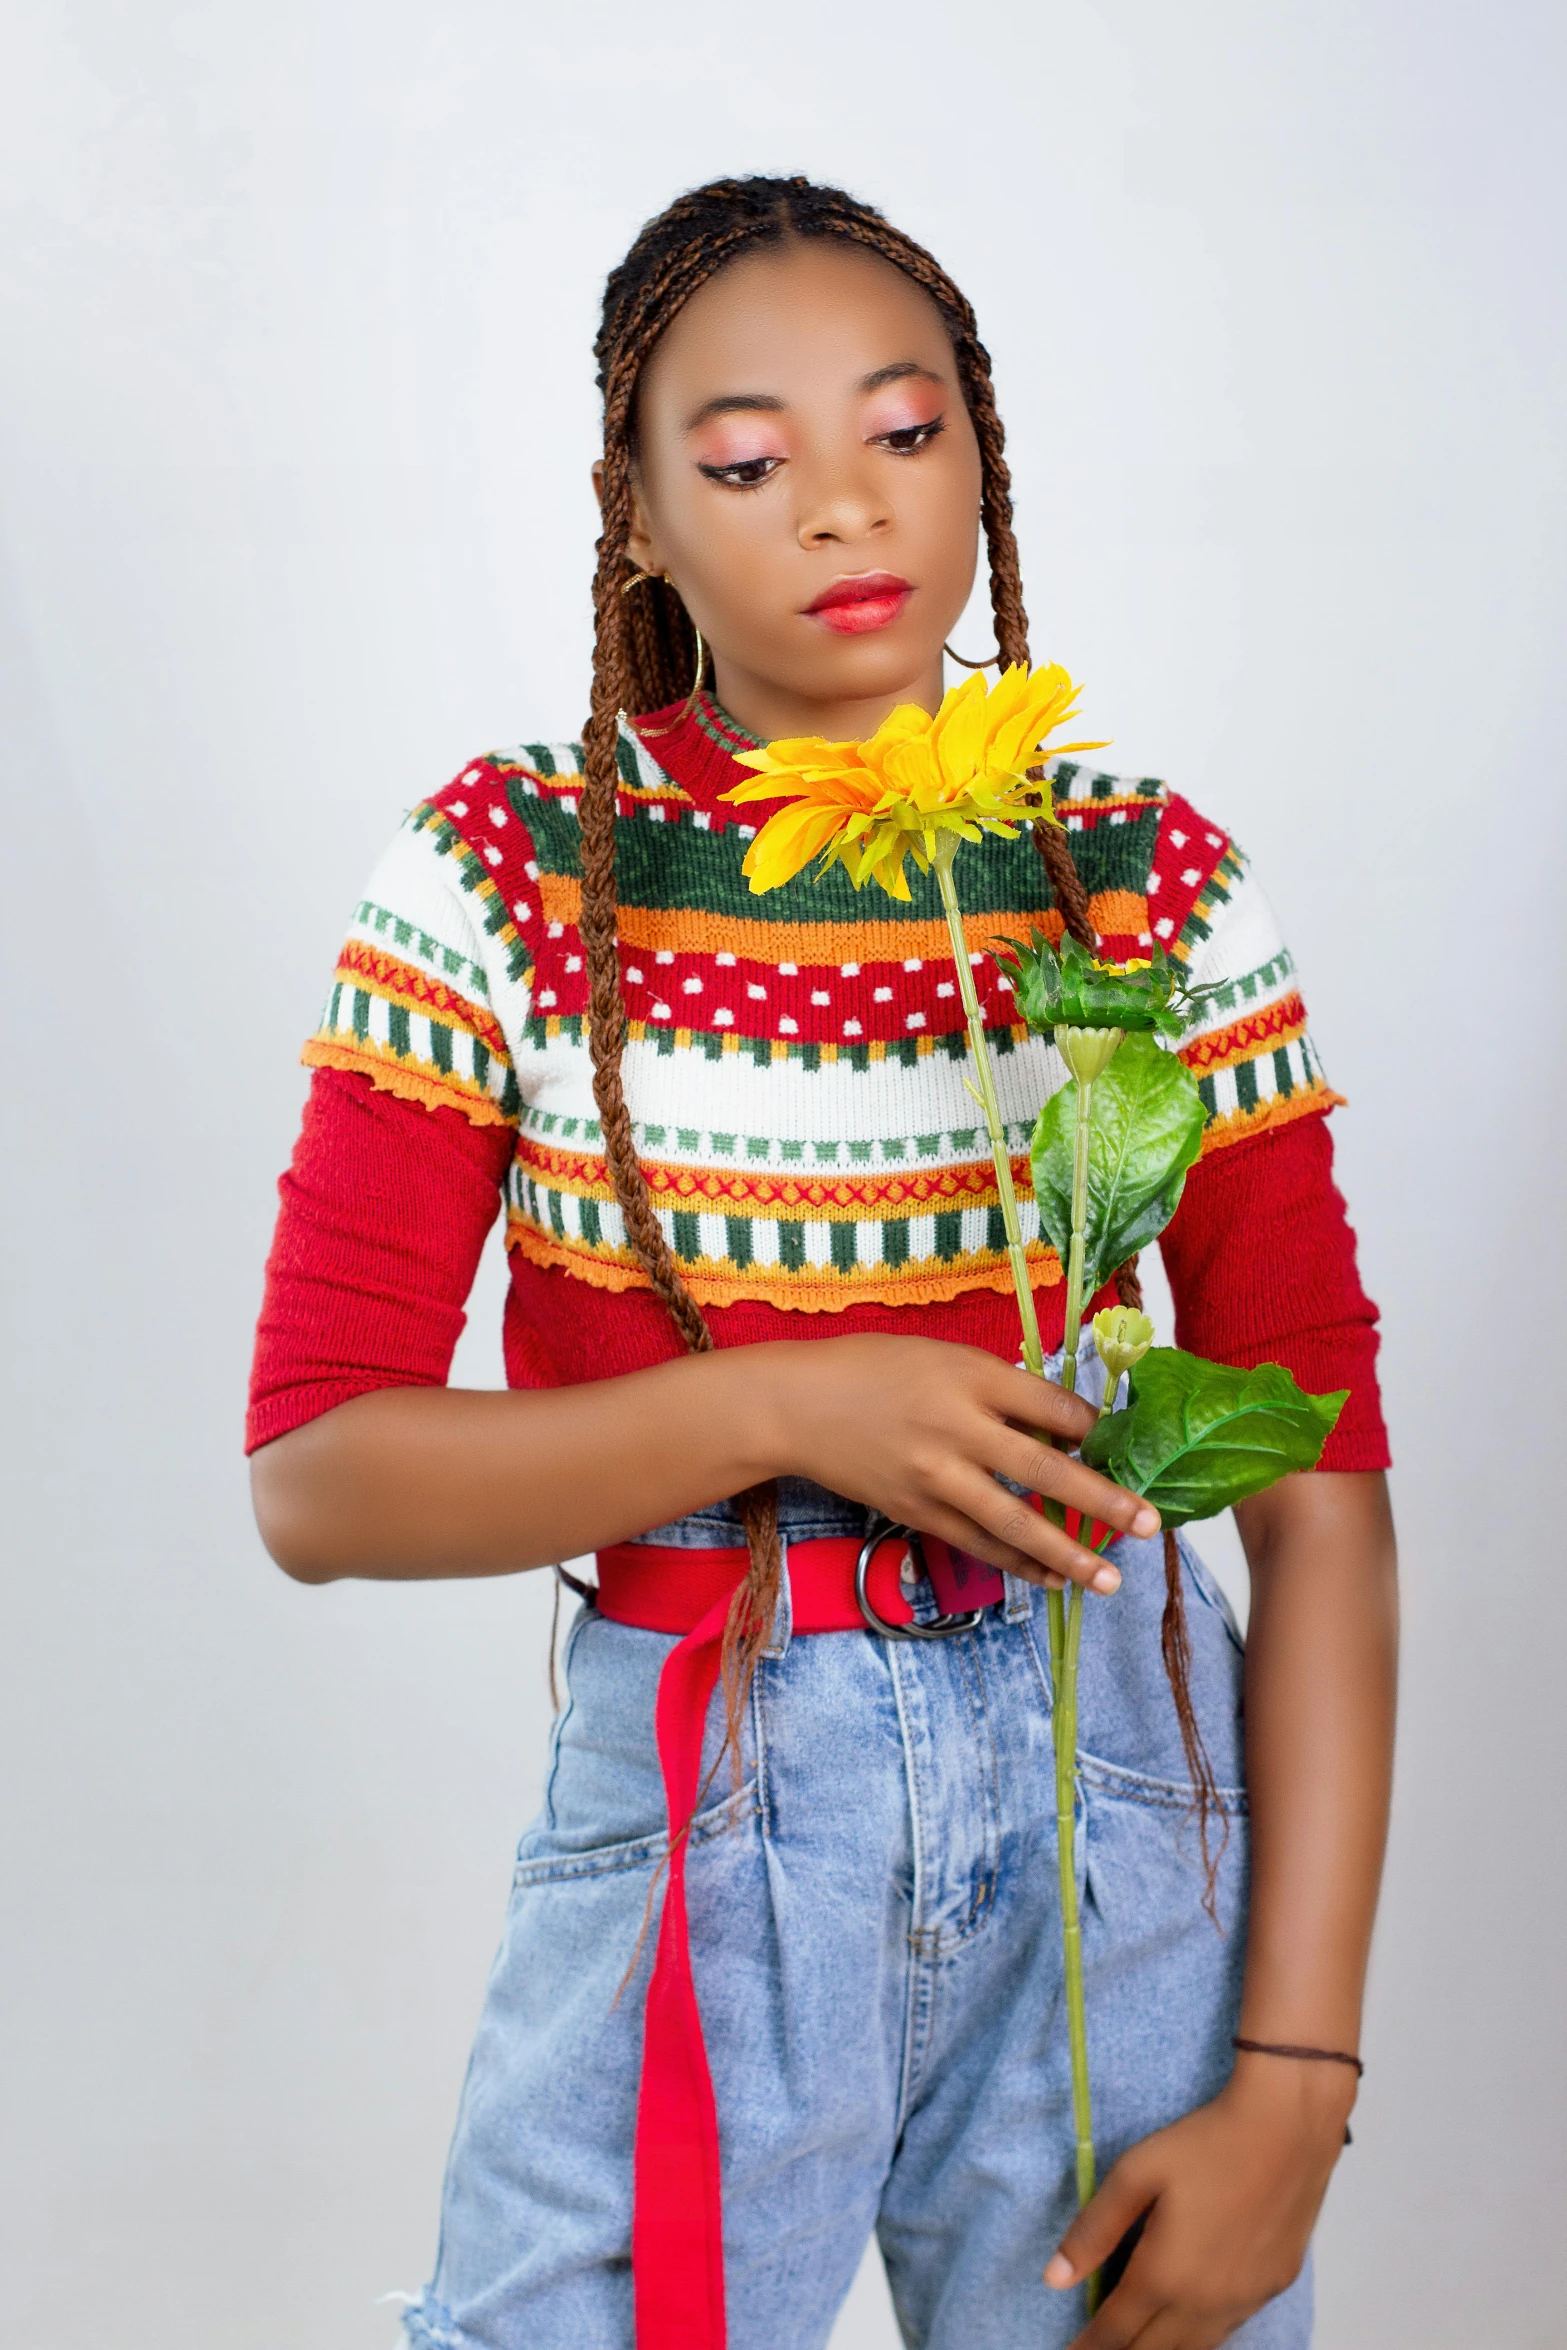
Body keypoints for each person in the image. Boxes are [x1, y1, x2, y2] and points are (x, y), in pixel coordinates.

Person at [247, 175, 1396, 2350]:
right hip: (709, 1770)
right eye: (752, 462)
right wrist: (788, 1400)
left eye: (910, 429)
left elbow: (1322, 1492)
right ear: (644, 523)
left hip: (1119, 1779)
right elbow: (319, 1470)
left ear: (984, 453)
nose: (849, 510)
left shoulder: (1141, 877)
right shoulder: (512, 870)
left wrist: (1300, 2082)